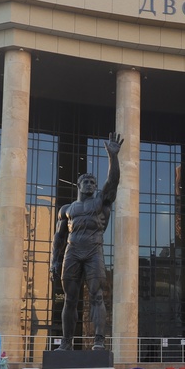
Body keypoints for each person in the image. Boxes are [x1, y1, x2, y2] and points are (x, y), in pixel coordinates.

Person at [50, 132, 122, 351]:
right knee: (70, 300)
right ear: (79, 185)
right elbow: (59, 237)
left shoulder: (101, 202)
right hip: (72, 252)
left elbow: (112, 181)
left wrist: (113, 157)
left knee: (96, 296)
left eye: (93, 182)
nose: (91, 184)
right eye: (87, 182)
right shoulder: (67, 210)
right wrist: (54, 260)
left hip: (93, 251)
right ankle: (66, 342)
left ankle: (99, 341)